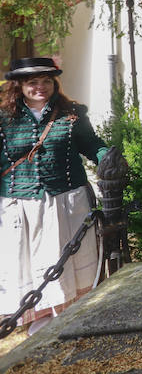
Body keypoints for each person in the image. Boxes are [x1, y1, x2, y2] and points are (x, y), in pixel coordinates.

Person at [0, 57, 107, 335]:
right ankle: (39, 330)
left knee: (66, 265)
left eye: (46, 81)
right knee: (32, 269)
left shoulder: (71, 113)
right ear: (20, 86)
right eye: (33, 82)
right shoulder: (3, 118)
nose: (41, 87)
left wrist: (107, 157)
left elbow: (92, 144)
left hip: (67, 204)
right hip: (19, 208)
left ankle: (72, 326)